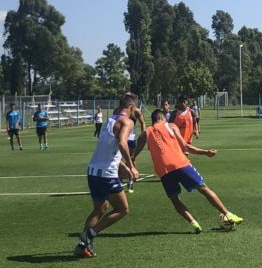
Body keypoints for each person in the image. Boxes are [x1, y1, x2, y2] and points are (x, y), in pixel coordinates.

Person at [133, 109, 243, 233]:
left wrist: (131, 165)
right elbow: (185, 147)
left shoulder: (145, 133)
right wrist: (205, 152)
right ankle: (228, 214)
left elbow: (134, 153)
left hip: (163, 171)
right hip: (180, 163)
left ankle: (194, 223)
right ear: (162, 118)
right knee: (203, 189)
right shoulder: (170, 126)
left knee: (175, 199)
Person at [74, 93, 139, 258]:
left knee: (100, 208)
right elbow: (122, 143)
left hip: (93, 170)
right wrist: (131, 167)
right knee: (122, 209)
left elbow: (107, 149)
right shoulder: (127, 122)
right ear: (131, 108)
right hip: (106, 174)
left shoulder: (110, 120)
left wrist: (122, 166)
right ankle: (89, 234)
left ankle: (82, 246)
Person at [125, 105, 146, 193]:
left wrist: (143, 134)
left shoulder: (136, 111)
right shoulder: (120, 109)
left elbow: (142, 122)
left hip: (131, 138)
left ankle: (132, 178)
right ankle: (118, 177)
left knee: (131, 157)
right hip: (121, 137)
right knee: (118, 158)